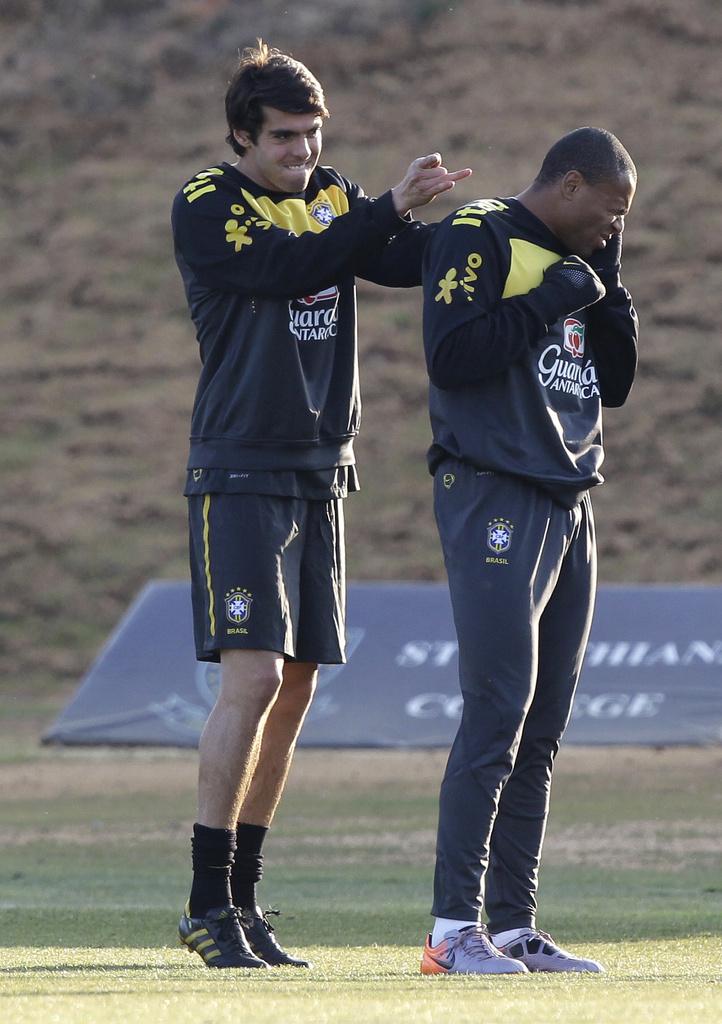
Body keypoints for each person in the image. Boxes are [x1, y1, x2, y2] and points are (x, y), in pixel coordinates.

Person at [171, 41, 470, 970]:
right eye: (285, 140)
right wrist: (385, 207)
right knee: (251, 682)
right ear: (241, 138)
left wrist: (508, 231)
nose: (303, 153)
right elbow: (282, 265)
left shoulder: (335, 195)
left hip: (319, 469)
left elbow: (400, 260)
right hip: (241, 469)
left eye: (312, 135)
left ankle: (246, 902)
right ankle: (203, 902)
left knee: (295, 691)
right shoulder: (208, 205)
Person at [419, 127, 638, 975]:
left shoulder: (588, 265)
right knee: (498, 706)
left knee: (543, 725)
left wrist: (606, 287)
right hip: (493, 491)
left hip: (571, 497)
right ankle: (449, 930)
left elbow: (612, 384)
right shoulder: (482, 233)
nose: (613, 227)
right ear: (572, 184)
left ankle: (512, 926)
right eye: (609, 211)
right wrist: (554, 296)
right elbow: (451, 354)